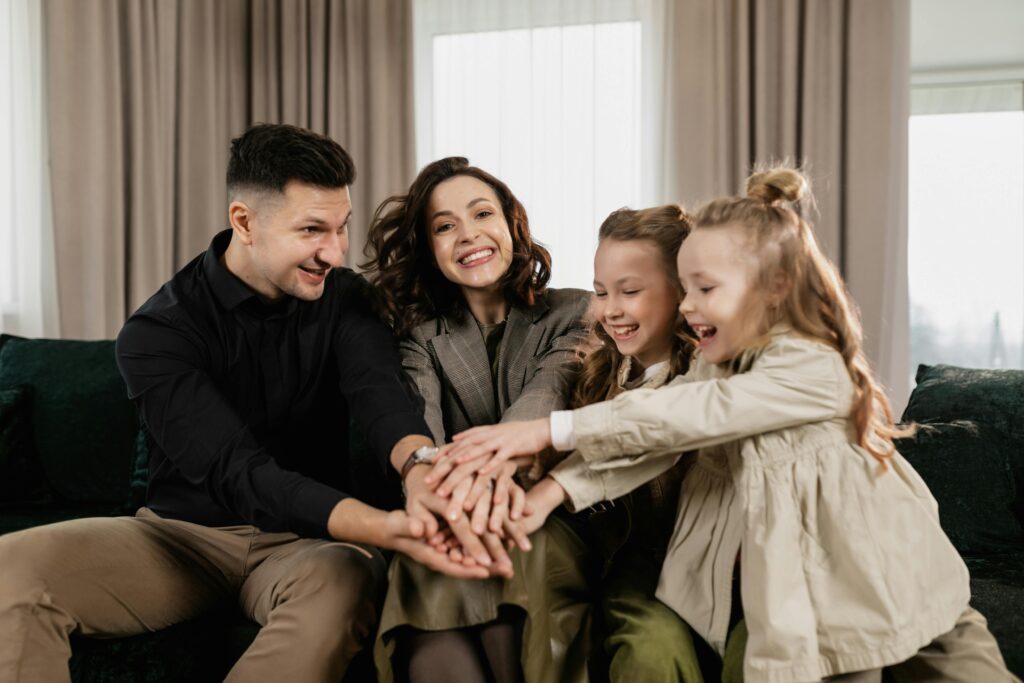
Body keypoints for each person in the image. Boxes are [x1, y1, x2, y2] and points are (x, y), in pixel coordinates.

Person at [438, 167, 1017, 682]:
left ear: (775, 288)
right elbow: (657, 438)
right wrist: (549, 493)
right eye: (686, 288)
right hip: (826, 596)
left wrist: (549, 431)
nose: (689, 306)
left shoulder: (809, 364)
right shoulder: (721, 367)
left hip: (899, 577)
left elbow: (688, 415)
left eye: (705, 289)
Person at [0, 123, 484, 683]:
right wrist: (381, 526)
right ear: (244, 222)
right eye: (311, 230)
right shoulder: (158, 332)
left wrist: (420, 467)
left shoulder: (347, 299)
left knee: (348, 579)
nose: (334, 250)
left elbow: (380, 398)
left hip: (307, 546)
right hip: (177, 539)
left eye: (341, 227)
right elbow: (234, 470)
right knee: (12, 568)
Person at [361, 156, 592, 683]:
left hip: (546, 512)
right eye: (445, 226)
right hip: (453, 508)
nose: (467, 235)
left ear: (512, 225)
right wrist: (455, 504)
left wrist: (483, 494)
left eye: (481, 214)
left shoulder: (575, 311)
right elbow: (425, 439)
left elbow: (544, 400)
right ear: (430, 248)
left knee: (510, 544)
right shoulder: (420, 338)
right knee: (428, 551)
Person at [547, 204, 731, 683]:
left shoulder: (716, 375)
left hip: (723, 560)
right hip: (639, 569)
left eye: (630, 291)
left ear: (683, 291)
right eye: (601, 292)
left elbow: (658, 431)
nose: (611, 310)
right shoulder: (594, 376)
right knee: (651, 650)